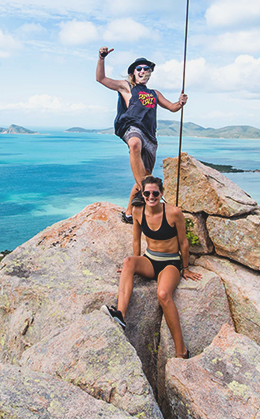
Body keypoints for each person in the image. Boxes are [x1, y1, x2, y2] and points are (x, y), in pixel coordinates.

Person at [103, 176, 202, 358]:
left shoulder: (173, 213)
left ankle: (182, 351)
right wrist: (133, 265)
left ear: (161, 193)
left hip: (170, 262)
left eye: (155, 193)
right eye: (147, 193)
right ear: (142, 193)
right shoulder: (138, 211)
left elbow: (184, 243)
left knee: (163, 295)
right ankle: (120, 315)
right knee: (127, 263)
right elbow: (135, 239)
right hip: (149, 259)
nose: (151, 196)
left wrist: (185, 268)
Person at [96, 47, 187, 218]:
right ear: (133, 72)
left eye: (146, 69)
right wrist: (102, 58)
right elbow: (100, 79)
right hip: (132, 127)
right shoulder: (127, 87)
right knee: (134, 144)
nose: (143, 71)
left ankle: (129, 213)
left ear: (150, 73)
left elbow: (172, 108)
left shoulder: (154, 93)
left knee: (145, 174)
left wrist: (180, 102)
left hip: (150, 136)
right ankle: (146, 189)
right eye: (139, 68)